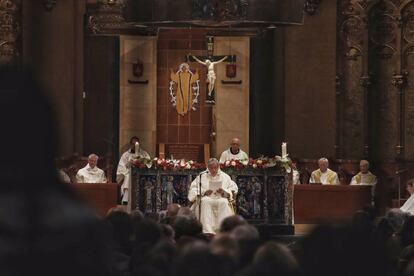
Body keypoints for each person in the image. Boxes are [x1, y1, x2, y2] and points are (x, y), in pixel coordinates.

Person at [188, 158, 238, 234]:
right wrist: (204, 192)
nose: (214, 170)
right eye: (211, 168)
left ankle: (222, 230)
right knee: (205, 201)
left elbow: (233, 189)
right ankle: (207, 231)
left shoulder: (225, 177)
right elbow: (193, 189)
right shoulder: (201, 176)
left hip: (221, 197)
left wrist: (225, 192)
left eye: (215, 168)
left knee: (224, 202)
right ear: (208, 167)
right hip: (207, 198)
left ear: (218, 167)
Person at [116, 136, 150, 204]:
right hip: (129, 173)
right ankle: (126, 200)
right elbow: (121, 167)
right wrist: (129, 164)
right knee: (128, 177)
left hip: (142, 173)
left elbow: (149, 163)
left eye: (136, 144)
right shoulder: (125, 155)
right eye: (133, 144)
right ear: (130, 144)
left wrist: (143, 165)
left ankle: (143, 199)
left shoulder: (144, 154)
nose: (134, 146)